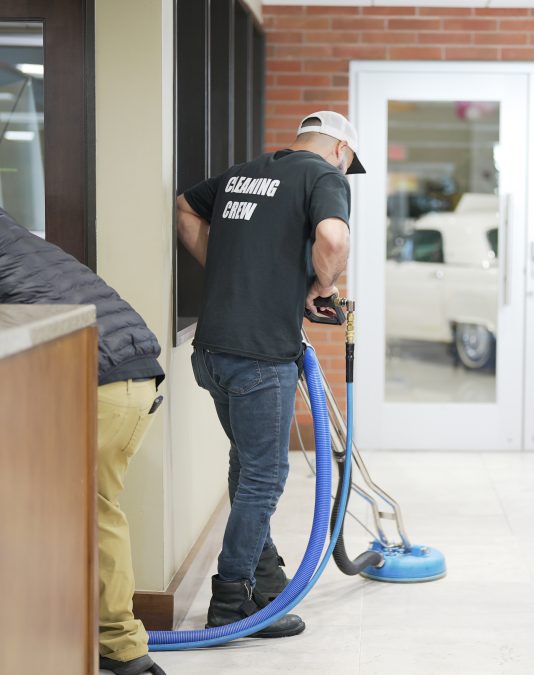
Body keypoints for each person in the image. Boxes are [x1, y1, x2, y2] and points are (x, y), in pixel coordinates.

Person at [0, 154, 167, 675]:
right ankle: (120, 648)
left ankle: (30, 643)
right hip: (134, 378)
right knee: (96, 512)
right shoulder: (6, 230)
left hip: (92, 381)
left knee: (15, 506)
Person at [175, 111, 362, 636]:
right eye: (348, 163)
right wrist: (323, 286)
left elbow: (185, 207)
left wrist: (226, 266)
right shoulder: (323, 176)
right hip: (260, 357)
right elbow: (333, 239)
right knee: (265, 476)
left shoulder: (242, 174)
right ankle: (232, 601)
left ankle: (264, 577)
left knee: (247, 466)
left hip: (211, 353)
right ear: (340, 150)